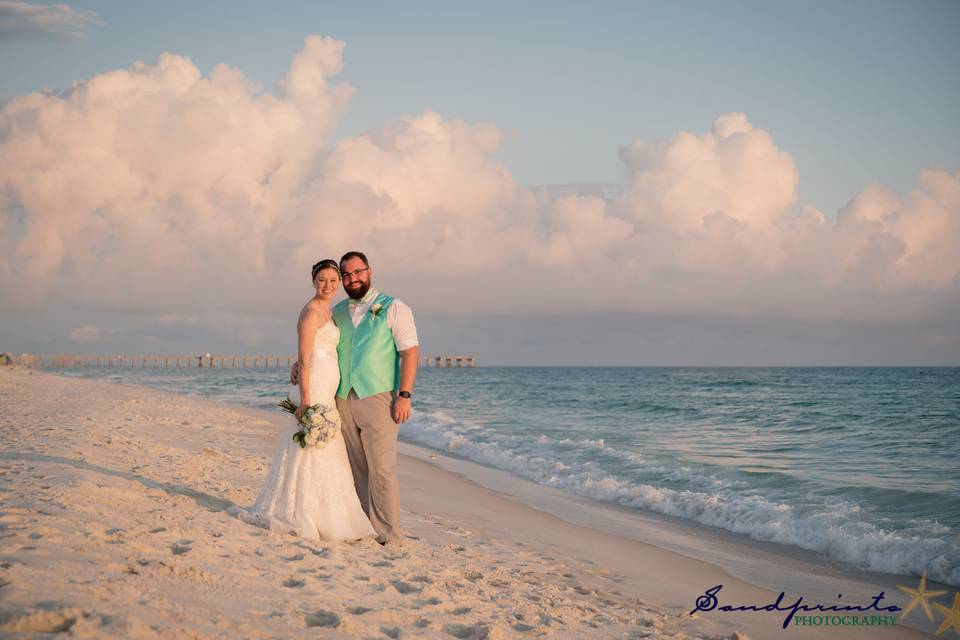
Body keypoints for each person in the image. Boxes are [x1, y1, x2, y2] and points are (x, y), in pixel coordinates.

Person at [229, 259, 375, 542]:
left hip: (328, 389)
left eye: (333, 280)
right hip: (315, 387)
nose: (328, 286)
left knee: (327, 448)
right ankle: (303, 513)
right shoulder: (310, 313)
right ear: (313, 281)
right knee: (310, 445)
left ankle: (329, 513)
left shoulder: (329, 311)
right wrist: (306, 400)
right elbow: (306, 357)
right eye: (322, 280)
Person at [292, 251, 419, 548]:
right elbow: (317, 342)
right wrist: (299, 364)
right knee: (356, 468)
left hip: (379, 398)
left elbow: (410, 353)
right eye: (346, 275)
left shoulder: (394, 307)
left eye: (356, 273)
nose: (351, 279)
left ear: (369, 272)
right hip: (342, 399)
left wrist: (404, 395)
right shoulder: (337, 311)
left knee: (382, 469)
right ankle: (364, 528)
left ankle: (391, 534)